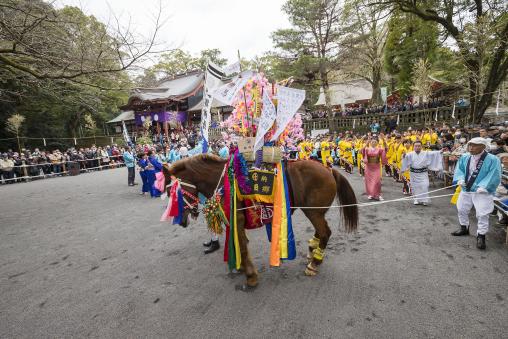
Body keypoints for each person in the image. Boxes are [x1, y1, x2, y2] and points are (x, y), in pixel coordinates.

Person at [452, 137, 502, 250]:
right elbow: (459, 170)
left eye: (474, 145)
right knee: (461, 209)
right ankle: (464, 227)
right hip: (466, 188)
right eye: (470, 145)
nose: (471, 147)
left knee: (483, 213)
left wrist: (485, 186)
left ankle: (481, 236)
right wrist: (460, 179)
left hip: (482, 191)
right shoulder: (465, 157)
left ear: (483, 146)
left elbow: (495, 174)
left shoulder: (493, 159)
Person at [401, 140, 443, 205]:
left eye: (419, 146)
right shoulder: (410, 154)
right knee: (415, 186)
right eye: (416, 146)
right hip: (413, 173)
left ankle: (424, 200)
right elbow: (405, 158)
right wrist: (403, 156)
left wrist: (440, 151)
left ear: (421, 146)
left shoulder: (426, 153)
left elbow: (434, 153)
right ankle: (416, 199)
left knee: (424, 185)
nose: (417, 147)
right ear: (413, 147)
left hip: (423, 173)